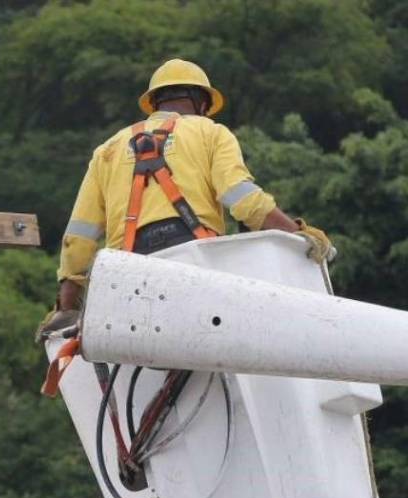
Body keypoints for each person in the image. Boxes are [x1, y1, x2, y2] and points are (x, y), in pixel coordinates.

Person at [38, 58, 335, 338]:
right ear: (202, 102)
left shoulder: (108, 149)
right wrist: (298, 234)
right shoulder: (211, 132)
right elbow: (243, 200)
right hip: (194, 262)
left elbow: (79, 237)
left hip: (125, 275)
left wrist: (66, 309)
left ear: (154, 103)